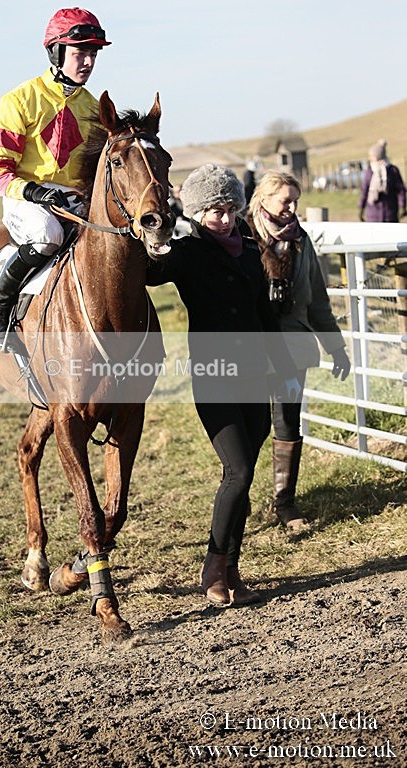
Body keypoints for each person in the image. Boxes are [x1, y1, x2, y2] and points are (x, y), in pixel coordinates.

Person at [147, 164, 299, 606]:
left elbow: (266, 317)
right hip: (214, 375)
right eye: (214, 211)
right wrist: (154, 240)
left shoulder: (250, 251)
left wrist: (285, 369)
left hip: (258, 375)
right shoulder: (188, 251)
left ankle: (232, 569)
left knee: (240, 479)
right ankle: (213, 566)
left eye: (230, 209)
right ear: (196, 213)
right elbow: (152, 272)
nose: (225, 218)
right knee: (239, 470)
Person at [0, 7, 112, 353]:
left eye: (93, 54)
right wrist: (34, 191)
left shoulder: (94, 109)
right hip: (25, 198)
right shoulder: (17, 101)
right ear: (56, 52)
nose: (88, 62)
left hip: (72, 200)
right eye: (80, 53)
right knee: (48, 234)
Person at [247, 170, 351, 531]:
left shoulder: (301, 241)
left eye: (296, 201)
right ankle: (237, 493)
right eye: (285, 200)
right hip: (252, 350)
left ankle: (285, 503)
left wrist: (336, 347)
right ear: (263, 198)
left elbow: (317, 299)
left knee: (288, 422)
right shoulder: (242, 237)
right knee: (250, 426)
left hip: (294, 348)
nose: (292, 207)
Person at [358, 140, 406, 223]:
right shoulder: (369, 171)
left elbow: (400, 190)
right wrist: (361, 208)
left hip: (390, 215)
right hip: (372, 216)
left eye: (371, 156)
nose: (369, 158)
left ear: (378, 156)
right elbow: (364, 191)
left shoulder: (393, 171)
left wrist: (402, 206)